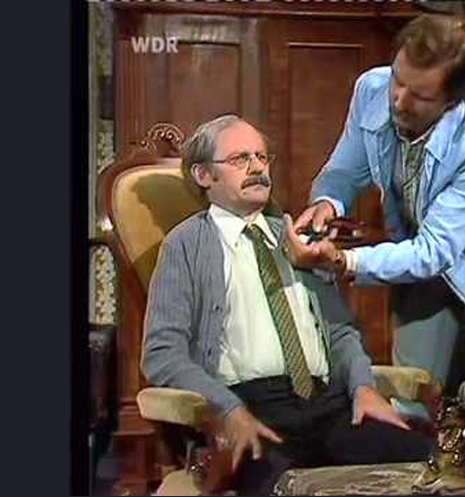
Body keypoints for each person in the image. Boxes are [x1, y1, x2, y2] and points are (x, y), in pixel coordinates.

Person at [290, 13, 465, 453]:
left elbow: (437, 250)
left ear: (452, 99)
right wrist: (329, 201)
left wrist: (345, 260)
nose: (399, 100)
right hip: (417, 262)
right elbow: (345, 168)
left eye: (419, 95)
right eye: (399, 81)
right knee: (409, 397)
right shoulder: (372, 89)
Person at [141, 114, 432, 495]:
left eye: (262, 157)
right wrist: (228, 409)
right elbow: (162, 354)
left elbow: (341, 331)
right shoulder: (185, 246)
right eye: (240, 159)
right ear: (204, 175)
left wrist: (363, 387)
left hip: (329, 405)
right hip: (252, 409)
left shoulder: (298, 239)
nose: (257, 168)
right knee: (282, 485)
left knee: (427, 462)